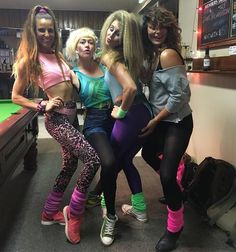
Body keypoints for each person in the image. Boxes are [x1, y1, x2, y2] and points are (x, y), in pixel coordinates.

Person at [11, 5, 100, 245]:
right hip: (57, 119)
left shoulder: (57, 55)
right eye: (42, 30)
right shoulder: (29, 61)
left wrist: (74, 76)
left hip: (73, 117)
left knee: (70, 165)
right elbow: (16, 96)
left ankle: (49, 212)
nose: (47, 34)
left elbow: (69, 80)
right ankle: (74, 213)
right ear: (33, 31)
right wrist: (42, 105)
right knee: (92, 160)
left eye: (50, 30)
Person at [140, 6, 193, 252]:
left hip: (177, 122)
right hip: (162, 120)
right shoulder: (152, 54)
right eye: (153, 26)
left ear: (169, 29)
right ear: (146, 28)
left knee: (167, 176)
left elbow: (180, 97)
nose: (157, 31)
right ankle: (176, 183)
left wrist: (154, 121)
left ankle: (175, 228)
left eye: (162, 27)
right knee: (149, 154)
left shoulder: (168, 54)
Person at [98, 10, 153, 246]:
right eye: (111, 28)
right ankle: (139, 209)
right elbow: (141, 82)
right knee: (125, 161)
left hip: (130, 116)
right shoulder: (130, 56)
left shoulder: (111, 57)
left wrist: (120, 111)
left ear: (126, 37)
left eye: (118, 33)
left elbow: (130, 88)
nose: (111, 35)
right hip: (144, 113)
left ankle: (106, 210)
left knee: (109, 165)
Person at [65, 27, 116, 209]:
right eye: (82, 42)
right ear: (75, 47)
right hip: (94, 122)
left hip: (115, 117)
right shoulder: (73, 74)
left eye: (90, 42)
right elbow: (66, 102)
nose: (87, 45)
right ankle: (105, 209)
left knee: (117, 161)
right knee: (108, 161)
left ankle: (96, 193)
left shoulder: (105, 66)